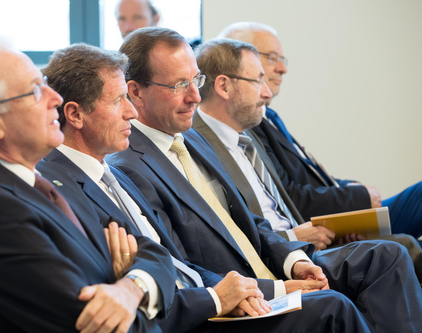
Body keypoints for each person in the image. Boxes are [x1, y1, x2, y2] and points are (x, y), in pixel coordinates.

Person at [107, 26, 422, 332]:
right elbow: (184, 267)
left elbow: (250, 219)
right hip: (239, 298)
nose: (194, 97)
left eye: (195, 81)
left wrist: (295, 262)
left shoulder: (190, 137)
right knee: (333, 305)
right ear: (135, 91)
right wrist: (278, 289)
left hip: (271, 266)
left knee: (386, 256)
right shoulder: (130, 166)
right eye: (179, 85)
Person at [0, 34, 177, 333]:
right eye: (35, 91)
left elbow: (152, 251)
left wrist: (132, 286)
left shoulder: (41, 182)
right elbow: (99, 326)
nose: (56, 99)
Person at [36, 43, 284, 333]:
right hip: (182, 319)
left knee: (331, 300)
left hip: (204, 302)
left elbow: (168, 260)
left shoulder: (115, 175)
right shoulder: (58, 189)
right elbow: (123, 287)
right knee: (331, 307)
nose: (131, 112)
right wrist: (216, 298)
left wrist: (236, 291)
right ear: (75, 115)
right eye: (118, 101)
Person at [192, 37, 422, 281]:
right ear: (224, 87)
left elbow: (285, 203)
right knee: (399, 249)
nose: (267, 92)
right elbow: (226, 239)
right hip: (280, 260)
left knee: (399, 247)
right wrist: (293, 238)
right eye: (258, 80)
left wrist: (328, 233)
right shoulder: (196, 147)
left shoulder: (247, 135)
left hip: (308, 243)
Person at [218, 22, 422, 240]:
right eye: (272, 58)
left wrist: (349, 187)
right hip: (315, 230)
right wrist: (357, 197)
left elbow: (309, 175)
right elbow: (287, 196)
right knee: (404, 246)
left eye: (281, 59)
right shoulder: (247, 123)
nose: (282, 68)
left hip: (338, 217)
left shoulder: (272, 117)